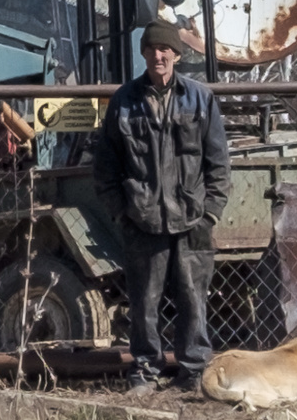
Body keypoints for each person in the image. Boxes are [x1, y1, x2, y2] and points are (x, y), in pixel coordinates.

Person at [91, 20, 229, 391]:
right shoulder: (124, 101)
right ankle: (145, 371)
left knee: (193, 300)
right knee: (143, 304)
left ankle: (194, 372)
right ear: (144, 54)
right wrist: (123, 212)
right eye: (151, 49)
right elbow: (106, 166)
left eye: (165, 49)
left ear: (177, 55)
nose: (158, 55)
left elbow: (218, 163)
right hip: (143, 221)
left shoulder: (200, 98)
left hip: (191, 220)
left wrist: (210, 212)